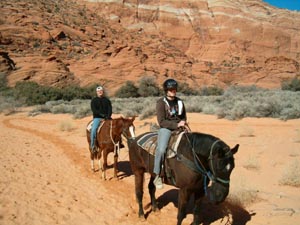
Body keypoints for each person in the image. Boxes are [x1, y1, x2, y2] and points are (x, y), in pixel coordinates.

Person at [153, 78, 188, 189]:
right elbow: (161, 121)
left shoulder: (180, 102)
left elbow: (183, 116)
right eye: (171, 89)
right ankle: (157, 174)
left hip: (180, 128)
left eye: (174, 89)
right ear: (166, 90)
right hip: (166, 128)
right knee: (161, 149)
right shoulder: (161, 103)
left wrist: (183, 123)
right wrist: (176, 125)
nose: (173, 91)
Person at [90, 85, 112, 153]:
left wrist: (107, 116)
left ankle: (119, 143)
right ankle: (93, 145)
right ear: (96, 92)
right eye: (98, 91)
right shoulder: (94, 101)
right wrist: (103, 116)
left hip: (107, 118)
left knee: (116, 127)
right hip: (97, 118)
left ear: (103, 92)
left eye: (101, 91)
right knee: (93, 130)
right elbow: (94, 110)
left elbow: (110, 109)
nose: (100, 92)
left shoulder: (107, 100)